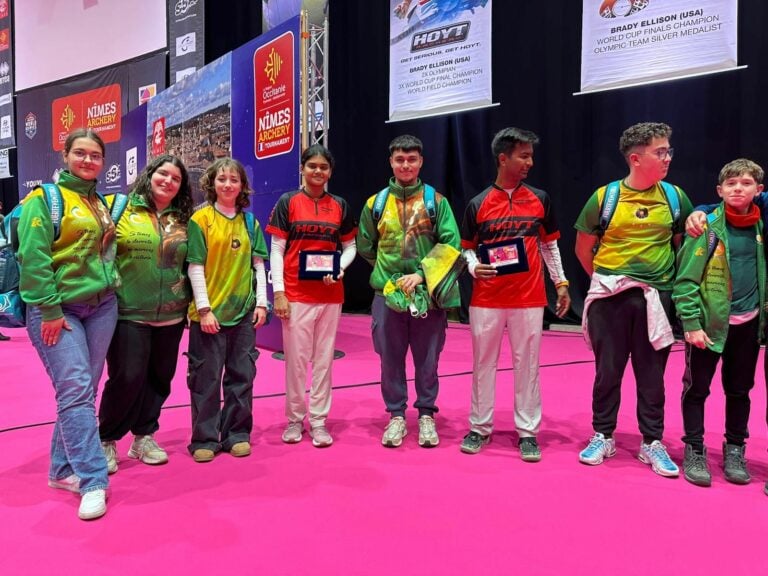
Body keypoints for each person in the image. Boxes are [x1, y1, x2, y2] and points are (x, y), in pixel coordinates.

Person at [574, 122, 693, 477]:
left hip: (655, 300)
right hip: (609, 299)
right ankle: (603, 434)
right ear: (636, 158)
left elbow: (682, 246)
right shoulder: (604, 197)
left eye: (669, 150)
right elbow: (583, 249)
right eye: (661, 151)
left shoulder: (675, 197)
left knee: (652, 376)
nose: (668, 157)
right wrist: (609, 281)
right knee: (607, 371)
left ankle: (652, 442)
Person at [18, 128, 118, 520]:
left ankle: (61, 470)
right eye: (80, 153)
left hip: (103, 307)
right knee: (76, 389)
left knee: (82, 391)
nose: (88, 160)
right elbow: (34, 257)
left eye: (95, 155)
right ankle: (92, 479)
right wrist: (51, 310)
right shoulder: (45, 200)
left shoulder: (100, 202)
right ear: (65, 155)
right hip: (59, 311)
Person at [459, 128, 571, 461]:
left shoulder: (540, 198)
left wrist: (561, 283)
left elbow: (550, 245)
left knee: (528, 366)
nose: (530, 162)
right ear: (503, 158)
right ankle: (479, 427)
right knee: (482, 365)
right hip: (486, 299)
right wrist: (473, 266)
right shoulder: (477, 204)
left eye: (531, 156)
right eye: (523, 156)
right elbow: (465, 251)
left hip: (529, 298)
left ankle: (527, 432)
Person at [357, 134, 461, 448]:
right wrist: (388, 277)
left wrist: (419, 275)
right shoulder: (375, 204)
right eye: (400, 159)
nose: (406, 165)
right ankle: (397, 417)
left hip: (426, 297)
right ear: (391, 162)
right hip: (386, 299)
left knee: (428, 359)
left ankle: (427, 415)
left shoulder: (436, 202)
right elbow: (365, 246)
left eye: (411, 159)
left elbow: (450, 244)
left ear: (421, 162)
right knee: (390, 359)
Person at [98, 155, 194, 473]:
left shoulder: (184, 219)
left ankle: (144, 437)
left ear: (181, 186)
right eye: (162, 174)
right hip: (129, 312)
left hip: (173, 315)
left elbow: (192, 265)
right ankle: (107, 439)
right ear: (150, 175)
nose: (167, 181)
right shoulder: (121, 209)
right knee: (127, 376)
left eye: (175, 178)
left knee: (159, 378)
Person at [672, 158, 765, 488]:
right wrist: (692, 323)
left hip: (749, 325)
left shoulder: (762, 228)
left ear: (759, 190)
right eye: (731, 184)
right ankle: (694, 449)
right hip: (708, 327)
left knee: (740, 391)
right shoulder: (705, 227)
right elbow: (684, 282)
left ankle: (735, 448)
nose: (738, 188)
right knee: (697, 388)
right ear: (719, 190)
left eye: (746, 183)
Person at [267, 145, 357, 447]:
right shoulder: (287, 202)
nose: (318, 172)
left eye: (323, 167)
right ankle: (294, 420)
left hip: (331, 296)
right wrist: (278, 292)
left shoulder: (340, 205)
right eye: (312, 166)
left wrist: (341, 269)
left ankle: (319, 421)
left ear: (330, 172)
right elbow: (277, 250)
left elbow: (350, 248)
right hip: (295, 294)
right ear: (302, 169)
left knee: (323, 361)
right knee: (295, 361)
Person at [186, 158, 269, 463]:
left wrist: (261, 303)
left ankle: (236, 433)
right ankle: (205, 437)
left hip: (243, 314)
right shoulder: (201, 220)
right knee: (205, 378)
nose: (228, 185)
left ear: (242, 186)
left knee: (241, 376)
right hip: (209, 316)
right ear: (212, 184)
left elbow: (258, 266)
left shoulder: (250, 223)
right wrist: (205, 310)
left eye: (234, 180)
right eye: (222, 179)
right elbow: (195, 267)